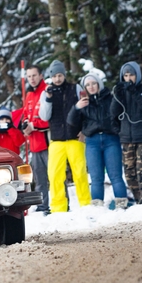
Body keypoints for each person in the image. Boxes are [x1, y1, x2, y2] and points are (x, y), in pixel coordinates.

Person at [68, 72, 129, 209]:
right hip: (92, 142)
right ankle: (97, 206)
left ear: (99, 84)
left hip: (111, 139)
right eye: (88, 85)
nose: (91, 87)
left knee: (115, 175)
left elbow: (119, 113)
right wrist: (76, 108)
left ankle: (121, 203)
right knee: (96, 178)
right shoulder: (84, 103)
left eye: (93, 83)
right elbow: (71, 121)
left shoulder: (110, 98)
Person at [39, 60, 91, 212]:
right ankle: (58, 207)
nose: (57, 79)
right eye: (54, 76)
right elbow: (43, 116)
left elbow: (86, 109)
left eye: (60, 75)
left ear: (64, 75)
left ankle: (85, 204)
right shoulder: (46, 92)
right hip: (56, 139)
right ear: (51, 77)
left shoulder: (75, 88)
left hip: (75, 137)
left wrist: (84, 130)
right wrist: (48, 99)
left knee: (80, 172)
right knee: (55, 175)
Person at [111, 61, 142, 204]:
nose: (129, 78)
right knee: (130, 174)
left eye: (131, 75)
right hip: (126, 138)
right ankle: (139, 201)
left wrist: (134, 92)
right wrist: (117, 95)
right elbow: (113, 114)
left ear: (137, 75)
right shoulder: (121, 92)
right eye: (126, 75)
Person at [21, 64, 51, 214]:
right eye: (29, 76)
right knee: (39, 178)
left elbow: (49, 118)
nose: (32, 79)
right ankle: (43, 205)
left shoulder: (46, 91)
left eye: (34, 75)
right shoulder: (29, 94)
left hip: (47, 141)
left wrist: (34, 125)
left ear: (40, 75)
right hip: (34, 143)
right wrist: (25, 123)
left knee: (54, 175)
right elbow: (26, 114)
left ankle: (62, 203)